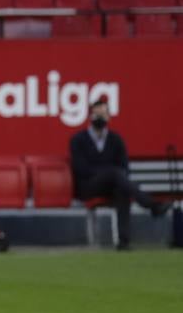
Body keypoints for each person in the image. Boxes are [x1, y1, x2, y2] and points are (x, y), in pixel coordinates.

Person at [70, 97, 168, 251]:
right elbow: (80, 169)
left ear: (109, 116)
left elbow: (124, 166)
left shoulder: (116, 140)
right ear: (90, 116)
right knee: (115, 174)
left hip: (113, 185)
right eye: (97, 115)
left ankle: (124, 242)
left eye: (103, 115)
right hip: (88, 186)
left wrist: (111, 174)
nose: (100, 119)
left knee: (121, 189)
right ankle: (152, 205)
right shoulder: (78, 140)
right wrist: (108, 172)